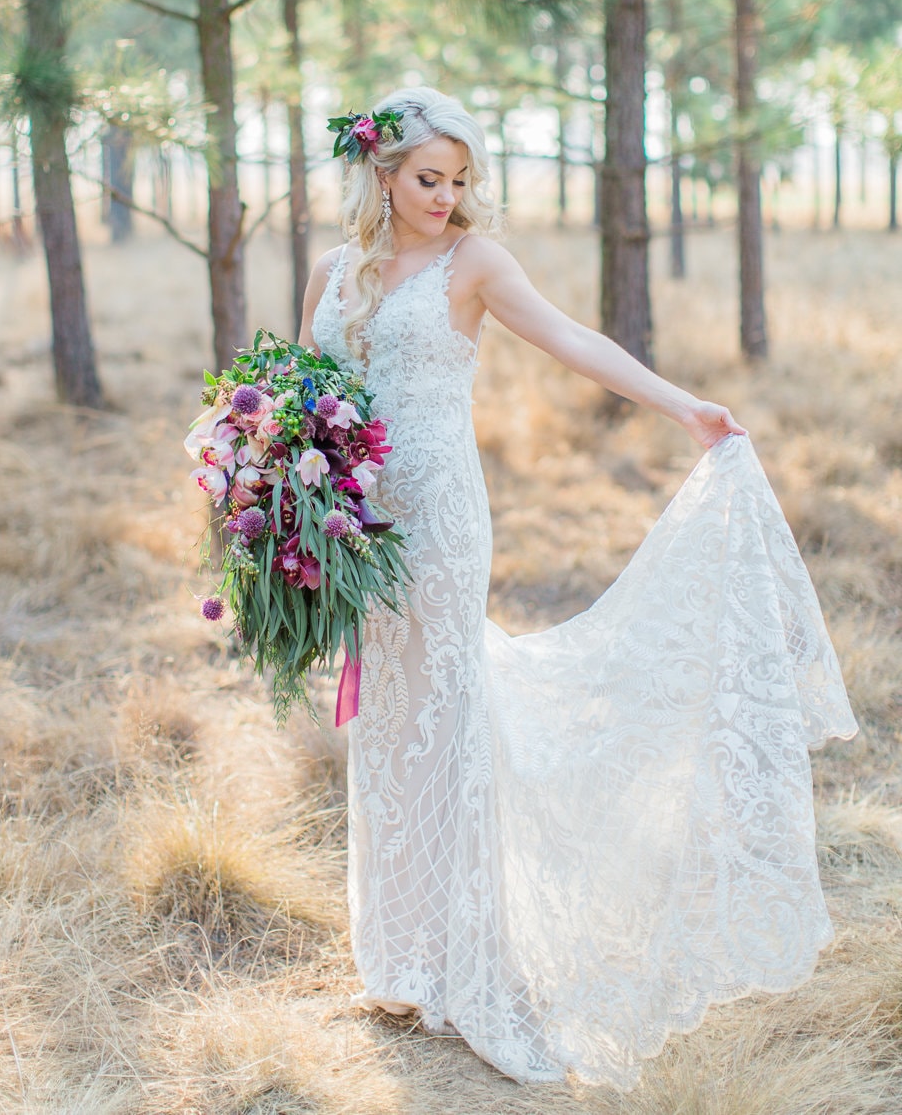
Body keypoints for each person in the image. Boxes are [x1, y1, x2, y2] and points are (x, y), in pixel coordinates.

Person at [298, 85, 856, 1091]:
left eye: (462, 180)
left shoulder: (476, 263)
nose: (448, 196)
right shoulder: (331, 271)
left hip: (439, 521)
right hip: (357, 530)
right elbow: (305, 398)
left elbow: (571, 340)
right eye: (430, 178)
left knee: (451, 716)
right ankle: (404, 960)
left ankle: (480, 973)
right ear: (380, 172)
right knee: (388, 727)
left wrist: (685, 406)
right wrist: (276, 489)